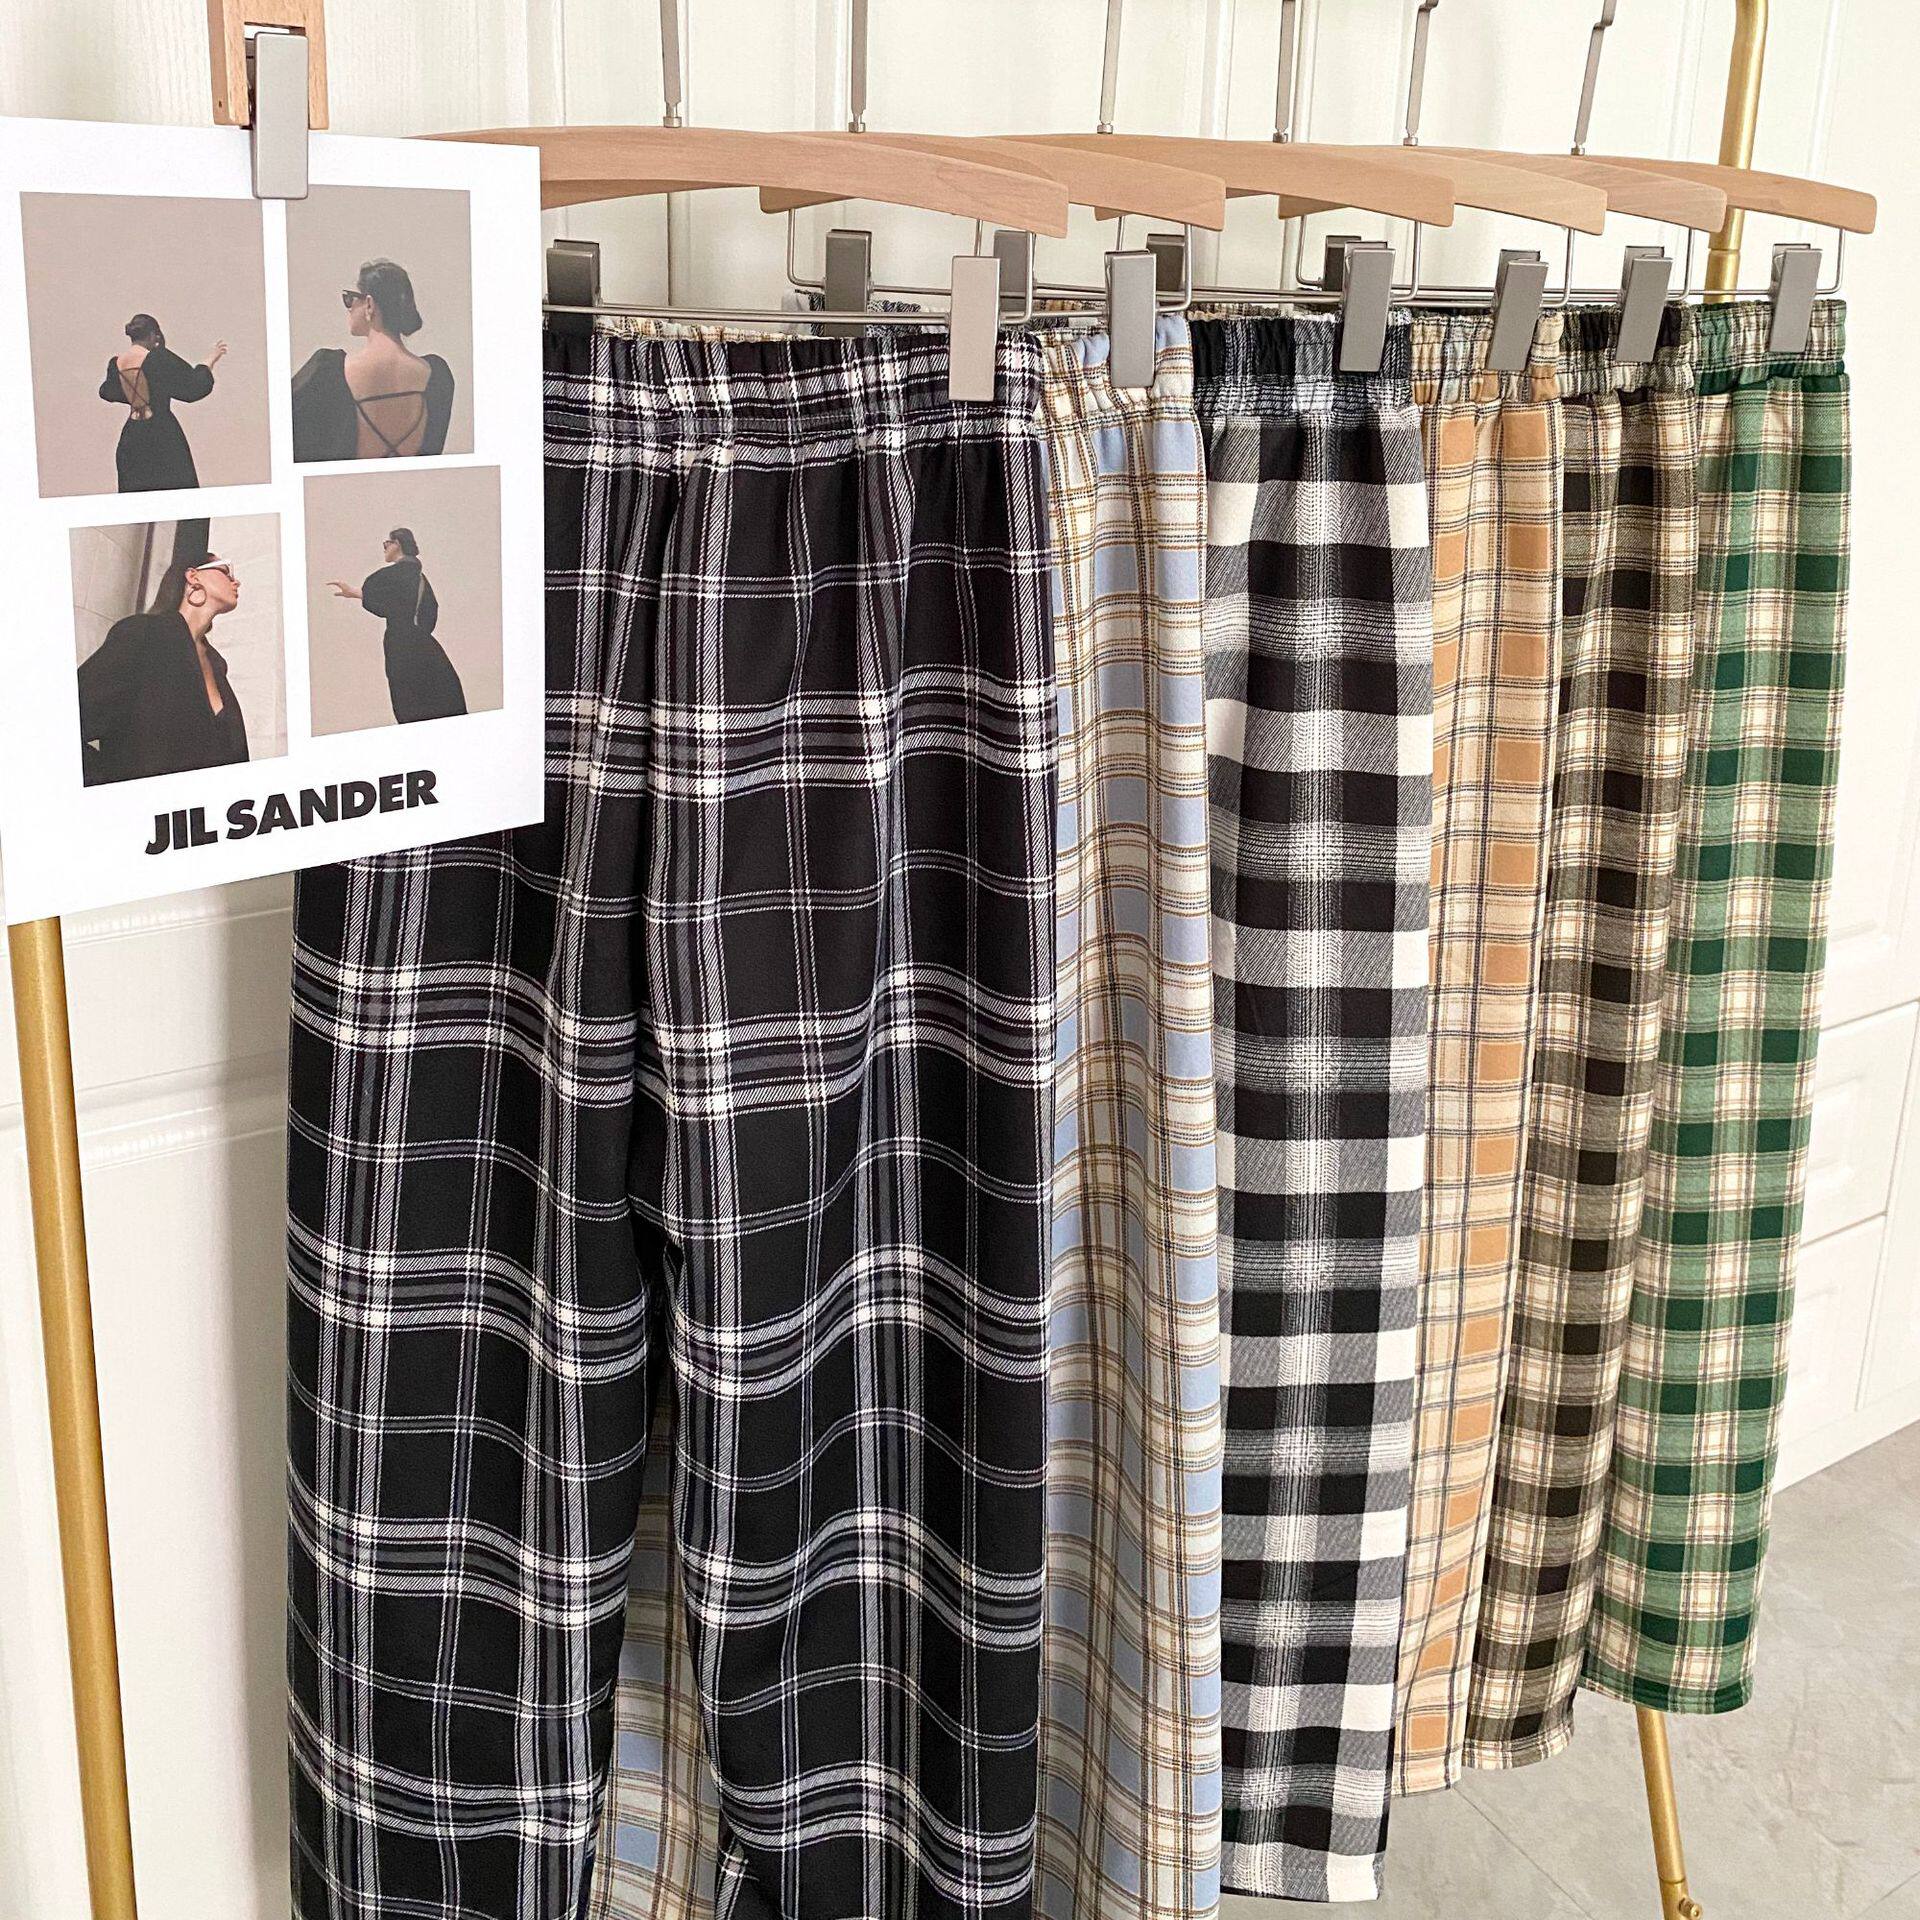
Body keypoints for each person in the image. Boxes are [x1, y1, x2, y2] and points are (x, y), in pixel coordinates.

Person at [78, 531, 249, 785]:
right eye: (226, 571)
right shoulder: (142, 635)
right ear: (193, 576)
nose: (236, 582)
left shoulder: (217, 665)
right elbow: (63, 722)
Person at [292, 259, 455, 460]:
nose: (349, 307)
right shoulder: (438, 377)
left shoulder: (327, 371)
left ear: (369, 304)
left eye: (350, 299)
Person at [328, 526, 466, 724]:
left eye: (388, 543)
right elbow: (430, 611)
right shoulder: (420, 578)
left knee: (408, 699)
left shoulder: (392, 575)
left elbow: (380, 597)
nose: (384, 547)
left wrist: (355, 593)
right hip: (425, 645)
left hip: (400, 644)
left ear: (398, 544)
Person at [99, 315, 227, 493]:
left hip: (131, 438)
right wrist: (209, 361)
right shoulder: (158, 358)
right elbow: (193, 387)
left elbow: (108, 392)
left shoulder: (116, 363)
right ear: (153, 335)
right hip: (162, 435)